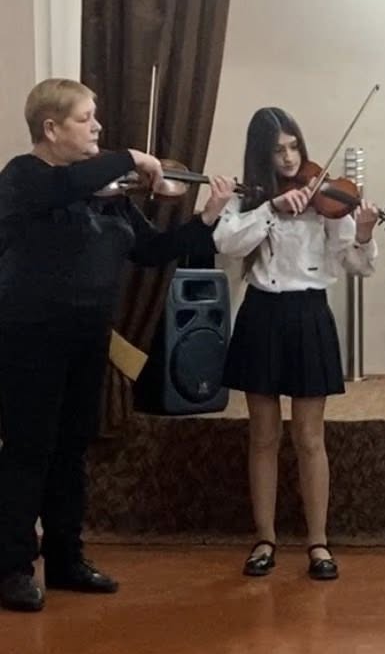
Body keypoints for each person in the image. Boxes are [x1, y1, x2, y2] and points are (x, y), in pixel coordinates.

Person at [0, 78, 230, 612]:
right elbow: (65, 186)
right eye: (86, 118)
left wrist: (208, 216)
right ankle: (11, 567)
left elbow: (153, 251)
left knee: (71, 450)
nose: (97, 126)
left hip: (87, 340)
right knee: (28, 451)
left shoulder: (108, 197)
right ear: (51, 128)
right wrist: (131, 156)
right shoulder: (25, 177)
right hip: (29, 338)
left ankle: (65, 558)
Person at [213, 108, 380, 581]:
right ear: (261, 155)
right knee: (263, 436)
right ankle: (264, 539)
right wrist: (271, 209)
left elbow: (356, 265)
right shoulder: (249, 198)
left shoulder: (324, 197)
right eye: (277, 151)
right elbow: (226, 243)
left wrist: (364, 233)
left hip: (309, 314)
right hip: (262, 314)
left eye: (294, 147)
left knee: (310, 437)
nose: (289, 159)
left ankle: (318, 542)